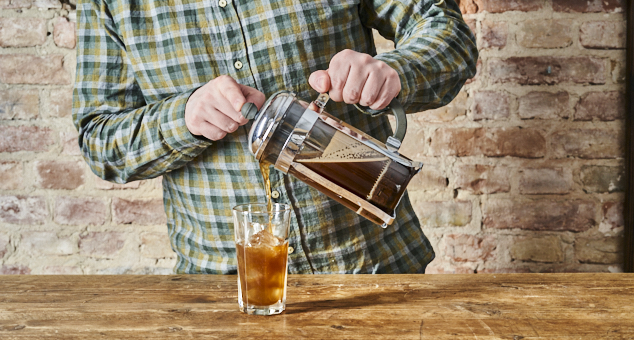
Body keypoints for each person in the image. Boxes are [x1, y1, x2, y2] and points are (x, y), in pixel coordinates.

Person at [73, 0, 477, 274]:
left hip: (371, 269)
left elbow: (447, 32)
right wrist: (183, 118)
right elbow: (99, 138)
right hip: (223, 290)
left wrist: (393, 71)